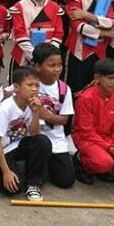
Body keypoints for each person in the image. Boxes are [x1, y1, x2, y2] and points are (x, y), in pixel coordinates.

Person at [0, 66, 51, 201]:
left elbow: (34, 133)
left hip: (18, 146)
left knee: (42, 142)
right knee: (6, 188)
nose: (34, 89)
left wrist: (36, 112)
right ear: (16, 87)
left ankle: (33, 183)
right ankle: (7, 171)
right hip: (1, 150)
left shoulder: (33, 105)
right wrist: (6, 171)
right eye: (30, 85)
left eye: (37, 85)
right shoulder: (7, 107)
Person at [31, 44, 76, 189]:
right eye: (52, 65)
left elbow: (63, 120)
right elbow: (9, 94)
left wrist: (46, 115)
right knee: (40, 176)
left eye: (60, 65)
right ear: (38, 66)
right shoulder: (30, 83)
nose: (57, 69)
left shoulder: (64, 89)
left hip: (55, 138)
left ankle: (52, 163)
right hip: (33, 136)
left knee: (66, 181)